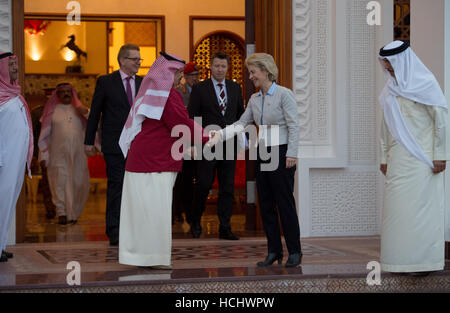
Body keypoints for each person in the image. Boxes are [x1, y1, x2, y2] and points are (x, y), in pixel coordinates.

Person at [208, 52, 302, 268]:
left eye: (253, 72)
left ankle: (295, 251)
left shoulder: (284, 94)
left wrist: (292, 153)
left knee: (284, 203)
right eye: (249, 72)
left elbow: (294, 125)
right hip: (262, 153)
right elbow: (241, 123)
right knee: (266, 204)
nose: (250, 76)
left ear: (266, 71)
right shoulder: (254, 98)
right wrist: (220, 134)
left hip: (281, 153)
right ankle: (273, 251)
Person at [118, 52, 208, 268]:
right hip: (156, 161)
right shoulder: (169, 95)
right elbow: (181, 124)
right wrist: (208, 136)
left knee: (140, 212)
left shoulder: (149, 91)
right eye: (177, 74)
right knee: (155, 211)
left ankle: (136, 256)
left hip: (140, 160)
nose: (179, 79)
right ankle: (153, 258)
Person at [378, 41, 448, 276]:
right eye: (384, 62)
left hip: (423, 160)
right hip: (398, 158)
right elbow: (385, 125)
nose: (386, 66)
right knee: (397, 212)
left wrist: (440, 154)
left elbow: (441, 121)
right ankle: (398, 262)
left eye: (388, 61)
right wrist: (383, 155)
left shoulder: (426, 84)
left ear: (401, 60)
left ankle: (423, 263)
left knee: (421, 211)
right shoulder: (390, 89)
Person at [84, 44, 143, 246]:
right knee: (117, 186)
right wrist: (89, 141)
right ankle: (114, 231)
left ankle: (135, 230)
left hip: (139, 146)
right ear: (122, 60)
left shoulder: (144, 83)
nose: (138, 62)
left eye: (139, 59)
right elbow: (95, 113)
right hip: (114, 145)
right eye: (135, 59)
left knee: (137, 189)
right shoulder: (106, 82)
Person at [188, 52, 245, 240]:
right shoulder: (200, 89)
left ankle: (225, 227)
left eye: (223, 66)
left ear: (227, 68)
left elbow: (240, 116)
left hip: (229, 144)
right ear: (210, 67)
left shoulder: (235, 87)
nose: (220, 69)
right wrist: (194, 143)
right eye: (217, 66)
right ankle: (195, 221)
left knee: (227, 187)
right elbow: (192, 118)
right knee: (203, 184)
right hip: (207, 144)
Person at [38, 83, 91, 225]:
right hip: (58, 155)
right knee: (59, 182)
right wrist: (43, 155)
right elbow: (44, 136)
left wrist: (83, 110)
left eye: (69, 91)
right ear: (58, 94)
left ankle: (74, 213)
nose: (66, 94)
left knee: (78, 182)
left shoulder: (80, 110)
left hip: (78, 155)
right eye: (63, 92)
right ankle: (61, 212)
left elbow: (93, 125)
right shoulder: (51, 112)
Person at [0, 52, 34, 262]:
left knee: (8, 202)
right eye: (11, 64)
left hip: (15, 160)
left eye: (16, 64)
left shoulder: (14, 94)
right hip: (3, 160)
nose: (15, 68)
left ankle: (1, 245)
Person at [172, 62, 200, 225]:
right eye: (191, 76)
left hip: (195, 140)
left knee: (191, 178)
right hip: (180, 140)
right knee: (179, 179)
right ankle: (177, 211)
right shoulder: (179, 92)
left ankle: (189, 212)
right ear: (185, 77)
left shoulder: (201, 91)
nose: (194, 79)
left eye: (197, 76)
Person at [30, 103, 56, 219]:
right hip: (45, 153)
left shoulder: (65, 110)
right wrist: (34, 155)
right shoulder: (37, 113)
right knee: (47, 183)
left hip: (64, 154)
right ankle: (50, 209)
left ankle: (63, 210)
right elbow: (33, 135)